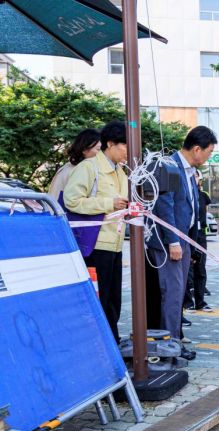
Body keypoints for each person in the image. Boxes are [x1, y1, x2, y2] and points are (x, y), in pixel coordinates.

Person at [146, 126, 216, 360]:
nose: (208, 157)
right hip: (170, 242)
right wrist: (174, 242)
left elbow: (191, 208)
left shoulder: (189, 171)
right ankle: (170, 345)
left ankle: (174, 340)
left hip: (184, 240)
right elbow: (164, 206)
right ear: (197, 149)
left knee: (179, 292)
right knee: (173, 293)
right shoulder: (169, 166)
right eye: (209, 152)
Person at [64, 122, 129, 344]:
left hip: (116, 244)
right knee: (101, 298)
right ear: (110, 144)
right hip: (96, 244)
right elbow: (71, 200)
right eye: (125, 146)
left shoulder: (121, 171)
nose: (128, 152)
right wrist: (109, 203)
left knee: (114, 299)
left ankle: (112, 340)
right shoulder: (89, 167)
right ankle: (103, 342)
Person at [184, 169, 213, 313]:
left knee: (200, 269)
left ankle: (200, 301)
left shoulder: (203, 196)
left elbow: (204, 213)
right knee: (187, 269)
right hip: (188, 234)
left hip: (201, 234)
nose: (194, 178)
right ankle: (188, 302)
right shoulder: (186, 194)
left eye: (196, 175)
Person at [49, 129, 101, 202]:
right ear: (84, 150)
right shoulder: (78, 171)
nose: (102, 154)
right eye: (98, 149)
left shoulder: (72, 167)